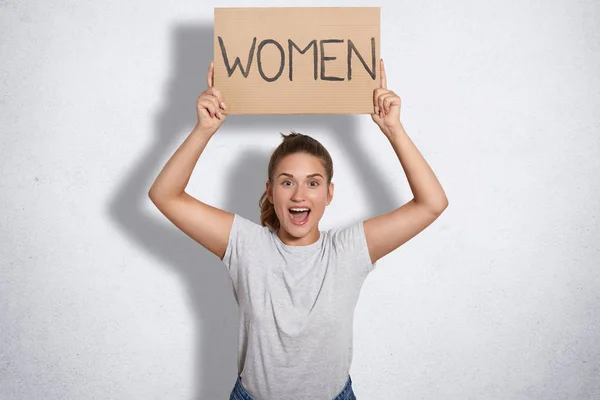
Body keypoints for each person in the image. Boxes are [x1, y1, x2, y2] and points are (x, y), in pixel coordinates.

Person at [148, 59, 448, 400]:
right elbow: (165, 195)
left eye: (313, 183)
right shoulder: (246, 244)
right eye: (287, 182)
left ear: (329, 193)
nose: (299, 195)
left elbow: (432, 203)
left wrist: (393, 129)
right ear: (270, 191)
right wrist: (204, 129)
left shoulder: (347, 250)